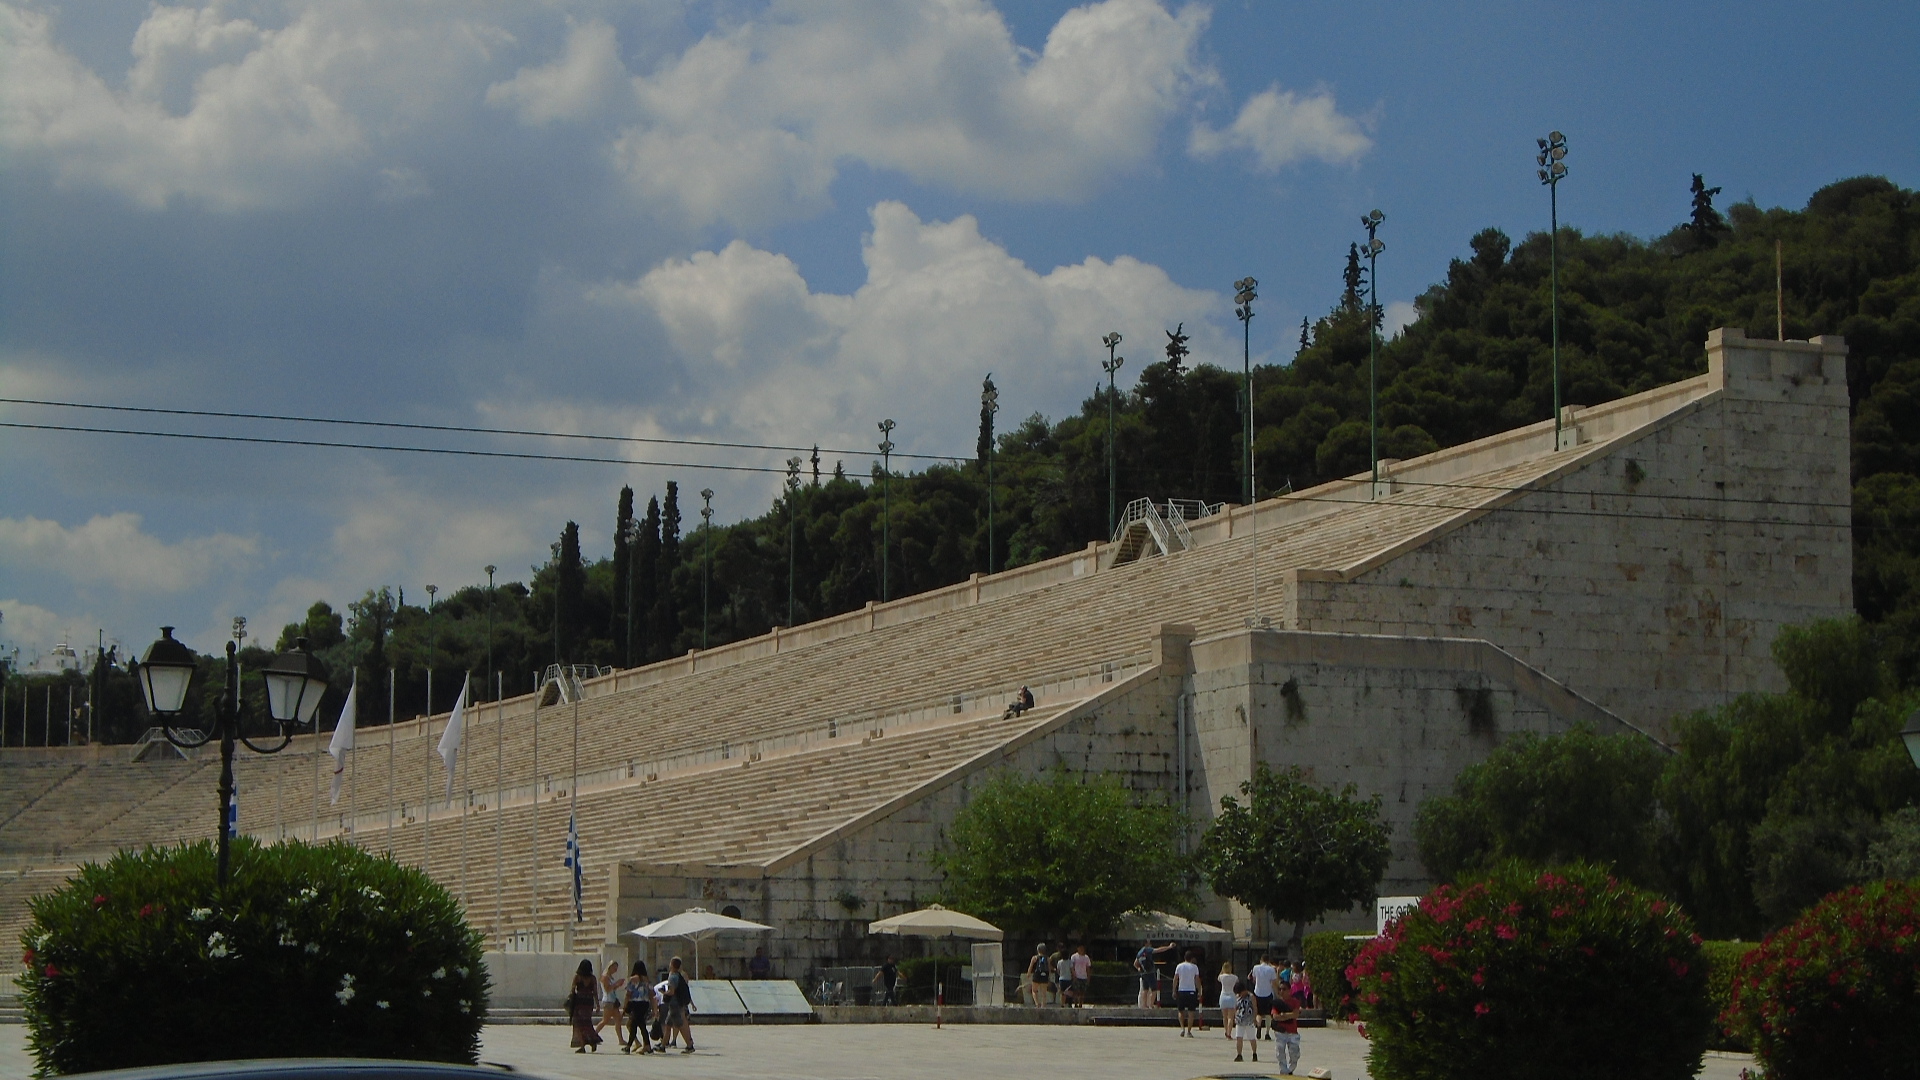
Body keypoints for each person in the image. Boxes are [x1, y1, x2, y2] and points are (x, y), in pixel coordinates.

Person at [568, 958, 602, 1053]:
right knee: (587, 1023)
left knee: (579, 1024)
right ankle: (592, 1041)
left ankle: (582, 1045)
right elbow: (595, 992)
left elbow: (572, 989)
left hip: (579, 1002)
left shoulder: (577, 977)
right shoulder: (592, 978)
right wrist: (597, 1005)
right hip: (588, 1003)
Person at [664, 956, 697, 1054]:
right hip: (677, 1004)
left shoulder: (672, 976)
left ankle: (689, 1045)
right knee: (668, 1024)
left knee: (680, 1025)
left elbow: (672, 991)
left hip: (675, 1004)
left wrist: (664, 992)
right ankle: (662, 1045)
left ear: (672, 965)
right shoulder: (679, 975)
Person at [1272, 976, 1303, 1074]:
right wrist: (1288, 1016)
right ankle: (1283, 1070)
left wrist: (1284, 1015)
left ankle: (1290, 1069)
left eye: (1284, 989)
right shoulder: (1277, 1003)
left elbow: (1296, 1014)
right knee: (1280, 1051)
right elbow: (1275, 1016)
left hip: (1292, 1032)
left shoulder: (1295, 1002)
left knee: (1294, 1053)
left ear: (1289, 990)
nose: (1281, 991)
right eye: (1279, 989)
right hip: (1280, 1032)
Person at [1134, 939, 1174, 1008]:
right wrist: (1168, 947)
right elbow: (1158, 950)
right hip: (1150, 972)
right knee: (1154, 989)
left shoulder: (1139, 953)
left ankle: (1144, 1005)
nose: (1150, 945)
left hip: (1143, 973)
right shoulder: (1147, 950)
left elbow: (1135, 963)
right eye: (1149, 943)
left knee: (1145, 989)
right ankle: (1151, 1004)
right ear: (1146, 944)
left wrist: (1139, 968)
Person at [622, 970, 655, 1054]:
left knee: (634, 1025)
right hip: (645, 1004)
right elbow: (652, 994)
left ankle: (629, 1046)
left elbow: (628, 994)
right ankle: (647, 1045)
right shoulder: (647, 980)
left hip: (635, 1004)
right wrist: (654, 1008)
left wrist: (624, 1007)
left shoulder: (633, 979)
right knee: (641, 1025)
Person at [1249, 953, 1279, 1040]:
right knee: (1268, 1014)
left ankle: (1258, 1027)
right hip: (1268, 993)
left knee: (1259, 1013)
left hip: (1257, 992)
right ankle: (1267, 1033)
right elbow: (1273, 982)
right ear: (1268, 960)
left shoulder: (1255, 968)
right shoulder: (1271, 969)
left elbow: (1254, 979)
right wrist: (1277, 992)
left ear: (1261, 960)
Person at [596, 960, 624, 1048]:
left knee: (618, 1020)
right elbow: (607, 989)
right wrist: (616, 983)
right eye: (614, 967)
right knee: (605, 1020)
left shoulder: (610, 977)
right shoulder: (605, 977)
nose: (615, 970)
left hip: (613, 1001)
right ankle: (593, 1034)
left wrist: (618, 985)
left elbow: (612, 989)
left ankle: (621, 1039)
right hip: (608, 1001)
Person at [1173, 949, 1202, 1036]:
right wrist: (1199, 991)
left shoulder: (1179, 966)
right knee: (1191, 1012)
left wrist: (1174, 990)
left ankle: (1182, 1028)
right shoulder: (1194, 967)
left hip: (1181, 990)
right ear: (1192, 958)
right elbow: (1197, 980)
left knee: (1181, 1011)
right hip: (1191, 991)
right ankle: (1189, 1031)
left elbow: (1175, 979)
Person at [1232, 983, 1260, 1063]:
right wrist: (1235, 1016)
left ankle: (1254, 1053)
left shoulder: (1251, 997)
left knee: (1252, 1038)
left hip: (1249, 1021)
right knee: (1239, 1038)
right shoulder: (1238, 997)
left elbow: (1255, 1007)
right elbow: (1235, 1007)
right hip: (1240, 1021)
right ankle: (1239, 1054)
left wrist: (1254, 1018)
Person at [1216, 961, 1239, 1038]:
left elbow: (1218, 978)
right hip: (1232, 996)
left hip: (1223, 996)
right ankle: (1229, 1033)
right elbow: (1237, 983)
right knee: (1230, 1017)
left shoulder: (1222, 977)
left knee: (1224, 1017)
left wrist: (1222, 971)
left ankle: (1226, 1031)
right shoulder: (1235, 977)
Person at [1069, 945, 1091, 1009]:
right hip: (1077, 976)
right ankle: (1075, 1003)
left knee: (1082, 992)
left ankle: (1080, 1004)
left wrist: (1088, 977)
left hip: (1084, 977)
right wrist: (1074, 975)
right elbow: (1072, 967)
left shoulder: (1086, 957)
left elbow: (1088, 968)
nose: (1081, 949)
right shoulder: (1074, 957)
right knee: (1076, 991)